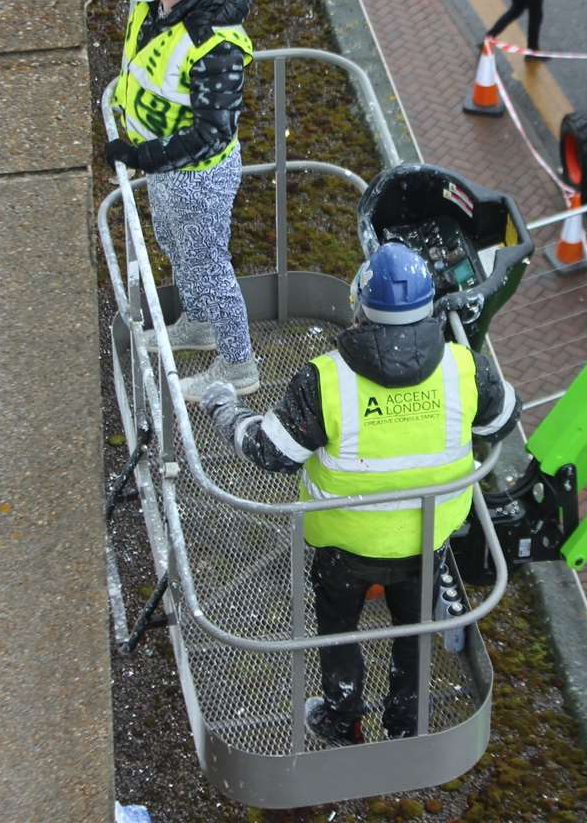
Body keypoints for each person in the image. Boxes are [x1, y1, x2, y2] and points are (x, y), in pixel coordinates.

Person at [199, 242, 522, 743]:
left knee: (340, 629)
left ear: (360, 307)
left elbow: (271, 452)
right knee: (412, 633)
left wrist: (223, 407)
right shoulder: (464, 367)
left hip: (345, 546)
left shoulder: (326, 380)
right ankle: (405, 724)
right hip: (427, 537)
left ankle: (341, 716)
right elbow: (502, 421)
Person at [83, 0, 260, 399]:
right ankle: (200, 325)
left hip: (198, 178)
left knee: (207, 265)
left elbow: (212, 134)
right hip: (169, 170)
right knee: (172, 241)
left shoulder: (215, 46)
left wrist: (141, 157)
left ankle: (238, 364)